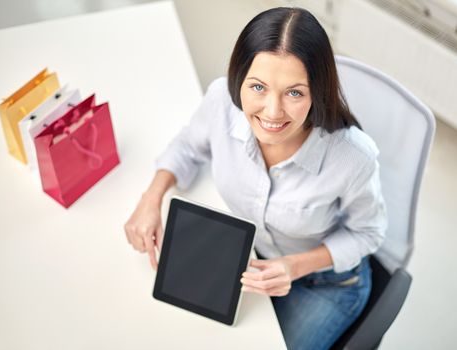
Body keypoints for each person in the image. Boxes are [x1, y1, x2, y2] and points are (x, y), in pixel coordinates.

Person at [124, 6, 387, 350]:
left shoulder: (353, 157)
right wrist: (151, 198)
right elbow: (189, 146)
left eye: (294, 93)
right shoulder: (221, 100)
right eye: (258, 87)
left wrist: (294, 266)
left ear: (316, 92)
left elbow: (368, 233)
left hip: (328, 284)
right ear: (239, 78)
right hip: (252, 260)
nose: (272, 112)